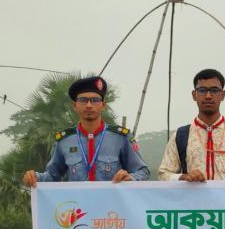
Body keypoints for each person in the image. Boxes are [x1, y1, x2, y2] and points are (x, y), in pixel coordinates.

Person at [22, 76, 150, 186]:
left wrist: (130, 177)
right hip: (78, 206)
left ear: (103, 105)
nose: (89, 105)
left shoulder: (120, 137)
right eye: (83, 100)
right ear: (75, 105)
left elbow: (143, 171)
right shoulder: (65, 141)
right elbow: (52, 176)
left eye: (95, 100)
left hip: (111, 206)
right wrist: (35, 177)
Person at [158, 68, 225, 181]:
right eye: (202, 90)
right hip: (193, 194)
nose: (208, 96)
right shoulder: (181, 135)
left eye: (214, 90)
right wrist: (183, 177)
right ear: (194, 95)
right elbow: (163, 174)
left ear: (223, 95)